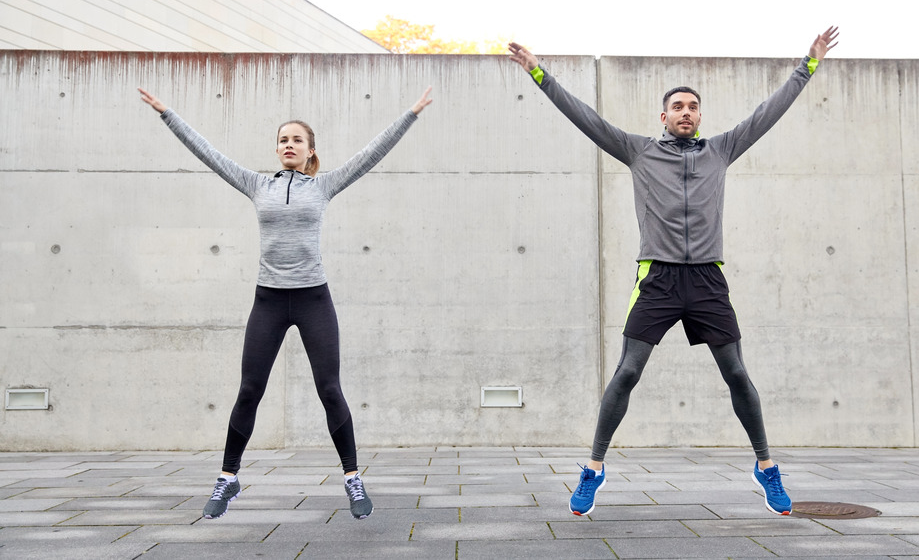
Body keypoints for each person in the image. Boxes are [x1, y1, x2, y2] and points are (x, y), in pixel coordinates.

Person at [508, 27, 838, 516]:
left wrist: (807, 66)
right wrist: (539, 72)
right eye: (678, 107)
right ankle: (593, 469)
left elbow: (767, 113)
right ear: (664, 117)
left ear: (699, 116)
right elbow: (584, 117)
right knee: (627, 372)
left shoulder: (720, 150)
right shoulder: (639, 151)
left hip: (707, 279)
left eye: (693, 106)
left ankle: (767, 468)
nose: (686, 112)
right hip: (657, 279)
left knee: (738, 375)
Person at [138, 85, 432, 520]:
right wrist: (167, 114)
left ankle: (353, 479)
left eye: (296, 139)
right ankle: (228, 477)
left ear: (310, 150)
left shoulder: (324, 185)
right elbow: (209, 153)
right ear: (276, 149)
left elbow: (372, 152)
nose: (288, 145)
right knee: (249, 390)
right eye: (282, 139)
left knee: (329, 388)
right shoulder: (257, 185)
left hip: (313, 299)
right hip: (269, 301)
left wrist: (410, 113)